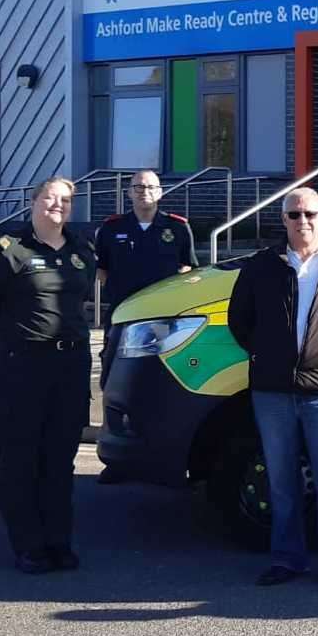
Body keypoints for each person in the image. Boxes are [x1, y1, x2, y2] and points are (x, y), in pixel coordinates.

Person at [227, 187, 318, 591]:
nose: (303, 221)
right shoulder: (261, 266)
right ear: (284, 220)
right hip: (272, 392)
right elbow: (239, 320)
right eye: (294, 214)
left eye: (310, 213)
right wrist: (268, 356)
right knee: (281, 479)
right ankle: (287, 559)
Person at [0, 177, 97, 574]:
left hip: (69, 368)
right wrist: (9, 347)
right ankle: (29, 545)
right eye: (50, 198)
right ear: (33, 201)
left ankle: (58, 540)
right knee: (21, 459)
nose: (58, 205)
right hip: (20, 368)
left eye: (66, 200)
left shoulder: (81, 251)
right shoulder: (9, 251)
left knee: (59, 459)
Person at [94, 170, 196, 478]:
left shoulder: (177, 228)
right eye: (137, 187)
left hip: (164, 324)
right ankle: (117, 464)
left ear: (161, 192)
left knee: (161, 386)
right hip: (123, 322)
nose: (143, 192)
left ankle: (165, 463)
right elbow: (102, 272)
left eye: (150, 187)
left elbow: (188, 269)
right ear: (129, 193)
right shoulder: (112, 229)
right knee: (114, 386)